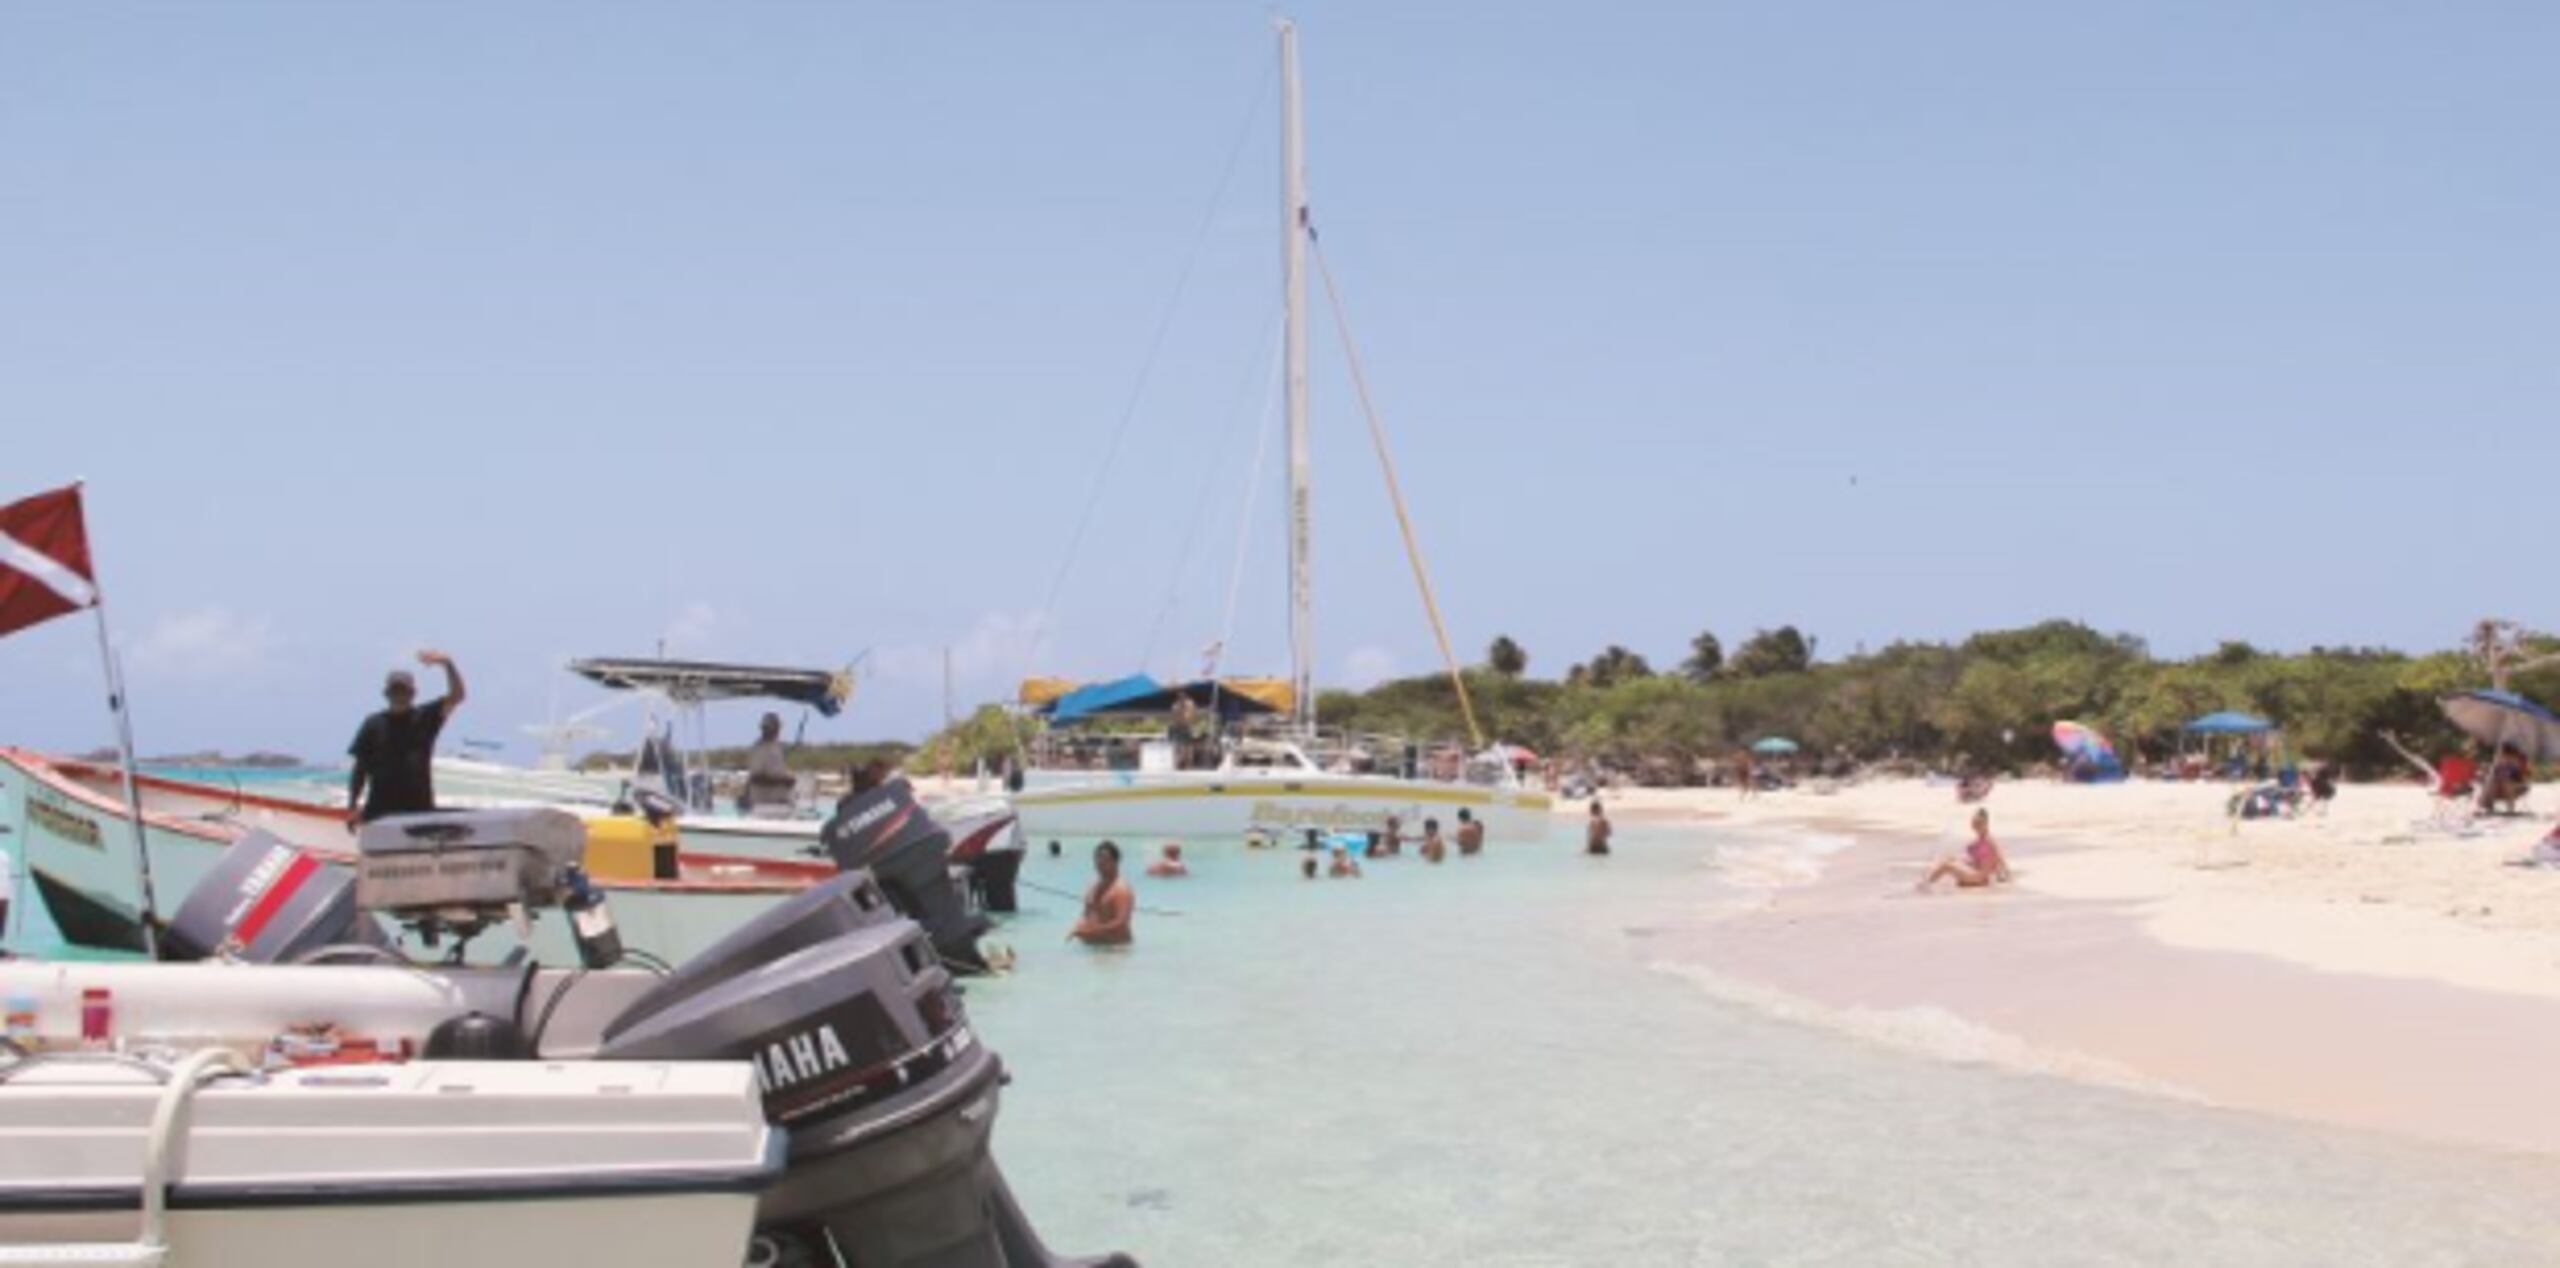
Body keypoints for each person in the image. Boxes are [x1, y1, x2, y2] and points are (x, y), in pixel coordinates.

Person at [346, 650, 466, 826]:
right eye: (395, 691)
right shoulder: (372, 724)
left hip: (418, 812)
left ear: (413, 693)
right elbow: (359, 769)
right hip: (379, 813)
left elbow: (457, 696)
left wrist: (448, 664)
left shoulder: (426, 717)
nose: (400, 696)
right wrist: (352, 806)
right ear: (386, 694)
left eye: (404, 691)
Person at [1916, 809, 2012, 893]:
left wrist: (2004, 876)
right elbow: (1978, 861)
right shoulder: (1980, 840)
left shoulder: (1988, 840)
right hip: (1977, 874)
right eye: (1975, 823)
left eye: (1978, 824)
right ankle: (1930, 880)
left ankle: (1926, 883)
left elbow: (1998, 859)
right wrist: (1960, 861)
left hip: (1979, 877)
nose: (1975, 826)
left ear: (1985, 824)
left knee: (1947, 865)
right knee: (1950, 859)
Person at [1069, 841, 1135, 945]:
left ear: (1116, 862)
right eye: (1097, 859)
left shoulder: (1121, 890)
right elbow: (1086, 914)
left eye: (1104, 859)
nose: (1100, 863)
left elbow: (1121, 923)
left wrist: (1092, 931)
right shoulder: (1092, 889)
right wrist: (1078, 927)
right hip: (1094, 948)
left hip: (1116, 950)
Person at [742, 712, 796, 814]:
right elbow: (757, 775)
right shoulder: (759, 748)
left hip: (781, 804)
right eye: (774, 728)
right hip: (765, 805)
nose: (776, 731)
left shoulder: (777, 747)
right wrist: (784, 779)